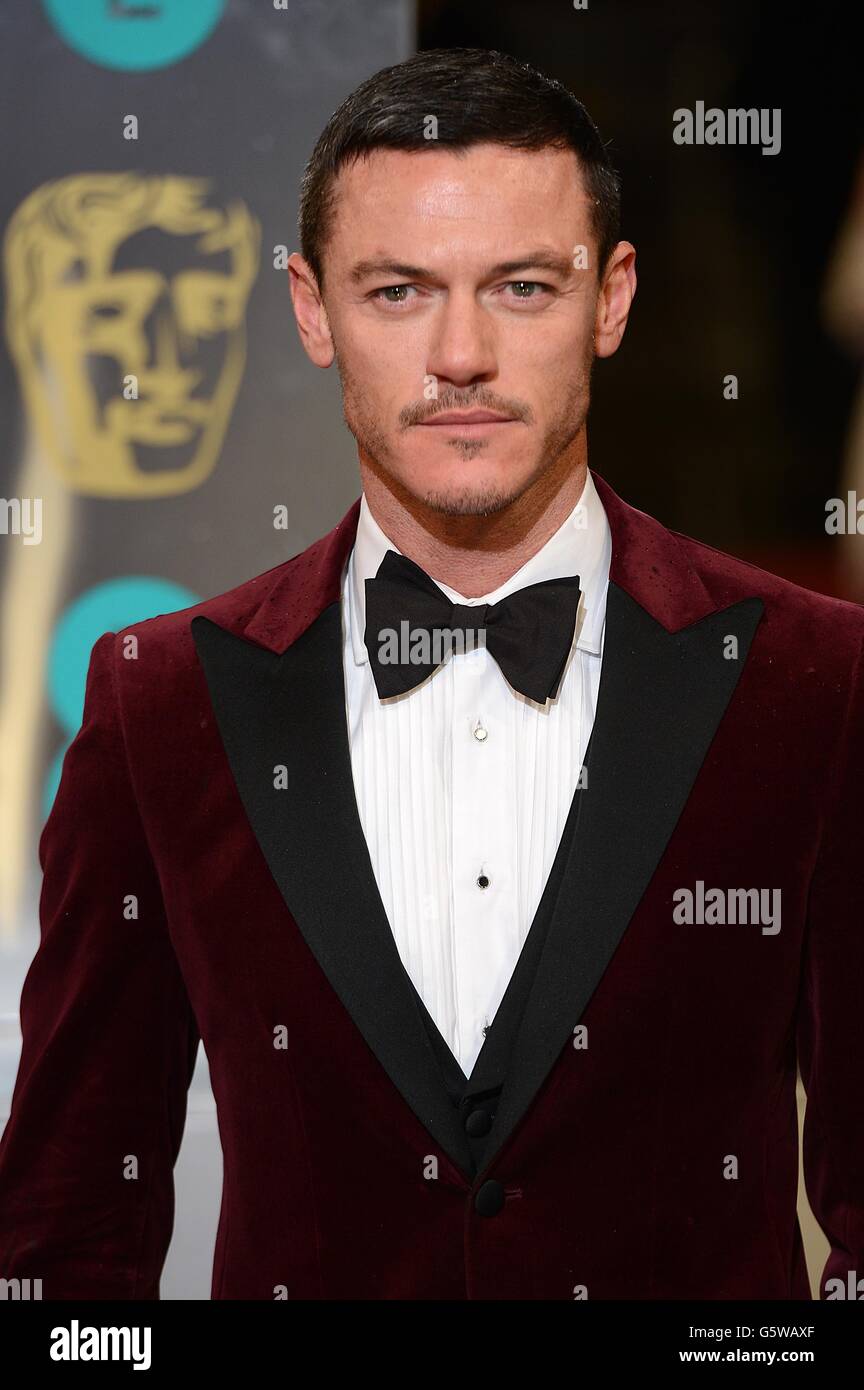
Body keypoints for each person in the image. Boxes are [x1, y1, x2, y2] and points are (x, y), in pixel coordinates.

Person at [0, 47, 861, 1302]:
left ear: (612, 298)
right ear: (311, 311)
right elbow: (67, 1228)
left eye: (522, 286)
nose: (462, 353)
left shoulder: (813, 682)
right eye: (399, 290)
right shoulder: (164, 701)